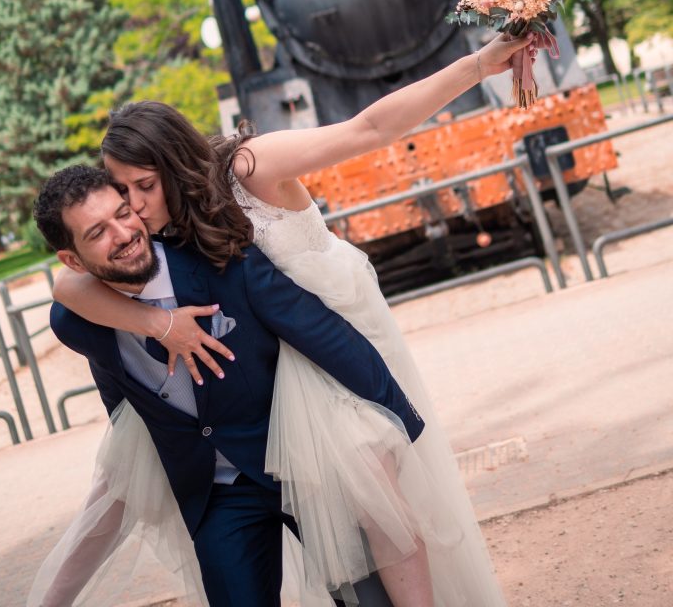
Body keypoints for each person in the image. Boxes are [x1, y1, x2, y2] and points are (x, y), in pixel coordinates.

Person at [33, 32, 528, 606]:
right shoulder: (152, 234)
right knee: (133, 484)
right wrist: (159, 326)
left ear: (175, 165)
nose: (135, 209)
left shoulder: (248, 165)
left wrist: (477, 64)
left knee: (376, 490)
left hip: (332, 326)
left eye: (145, 187)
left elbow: (368, 130)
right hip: (264, 354)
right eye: (123, 192)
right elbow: (68, 286)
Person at [31, 164, 423, 607]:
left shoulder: (221, 264)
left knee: (369, 599)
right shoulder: (77, 323)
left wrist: (400, 420)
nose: (123, 234)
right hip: (217, 492)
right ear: (73, 261)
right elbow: (119, 398)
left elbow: (321, 332)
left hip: (298, 461)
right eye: (97, 232)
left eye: (124, 213)